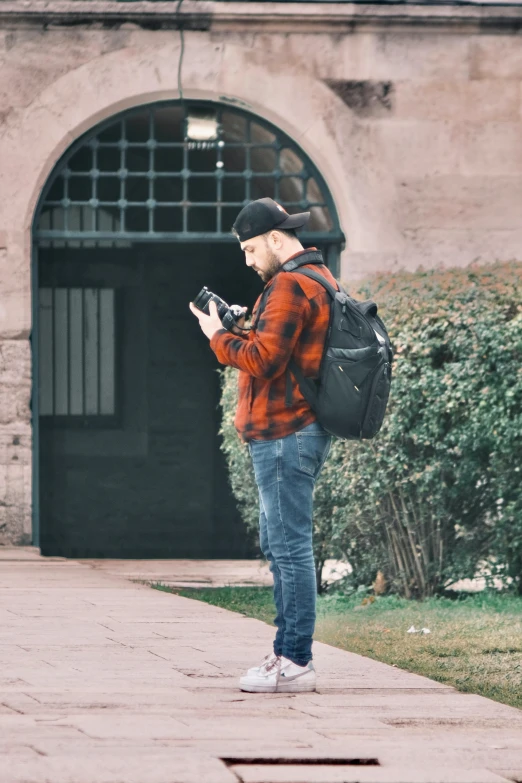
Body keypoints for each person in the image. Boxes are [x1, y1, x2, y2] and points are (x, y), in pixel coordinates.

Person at [189, 197, 336, 694]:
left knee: (289, 549)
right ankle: (286, 653)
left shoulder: (290, 284)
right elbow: (278, 347)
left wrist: (215, 335)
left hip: (284, 432)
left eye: (252, 249)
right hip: (293, 430)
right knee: (283, 546)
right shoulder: (315, 278)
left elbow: (267, 360)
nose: (249, 261)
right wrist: (240, 322)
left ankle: (294, 660)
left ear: (276, 239)